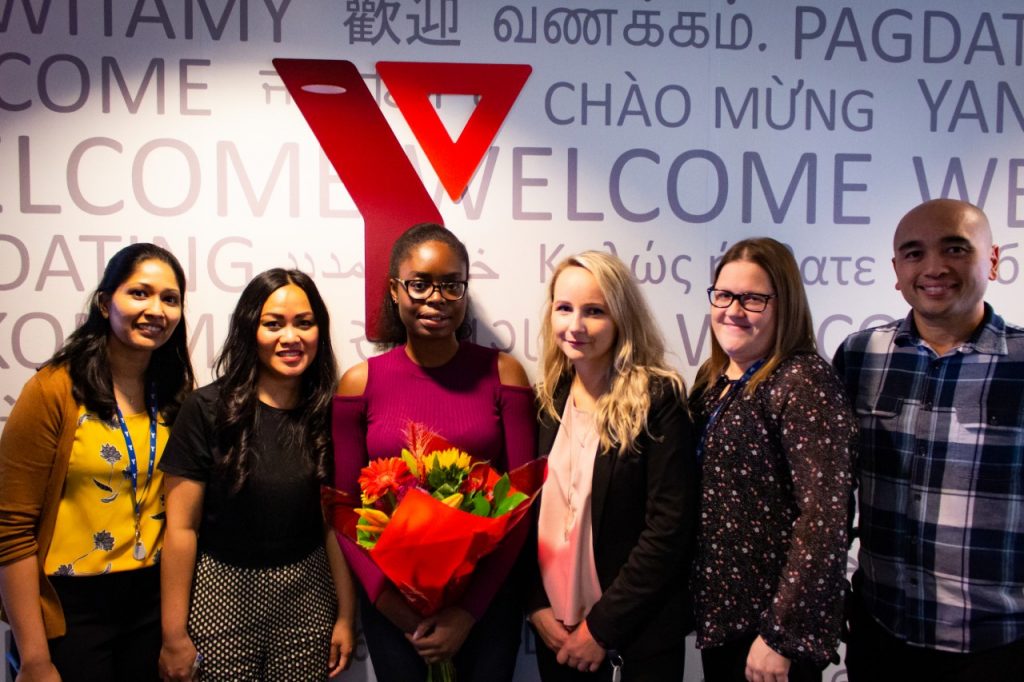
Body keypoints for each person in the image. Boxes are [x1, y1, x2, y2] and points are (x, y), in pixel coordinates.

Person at [332, 222, 536, 681]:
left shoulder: (504, 374)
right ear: (394, 289)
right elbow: (345, 511)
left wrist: (467, 613)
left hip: (485, 606)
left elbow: (521, 504)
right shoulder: (359, 384)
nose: (436, 298)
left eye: (451, 285)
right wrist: (401, 613)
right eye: (420, 284)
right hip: (394, 610)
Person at [833, 198, 1024, 681]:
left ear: (994, 261)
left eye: (955, 248)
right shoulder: (859, 355)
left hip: (997, 646)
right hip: (882, 635)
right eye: (914, 254)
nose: (934, 267)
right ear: (897, 271)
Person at [0, 243, 194, 682]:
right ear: (106, 303)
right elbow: (11, 529)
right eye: (139, 293)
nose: (156, 309)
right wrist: (33, 657)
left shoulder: (175, 394)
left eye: (170, 298)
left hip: (151, 604)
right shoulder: (53, 390)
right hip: (71, 612)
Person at [157, 269, 355, 681]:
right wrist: (174, 635)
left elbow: (334, 526)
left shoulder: (329, 414)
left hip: (308, 597)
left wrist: (346, 616)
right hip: (219, 596)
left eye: (304, 323)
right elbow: (181, 529)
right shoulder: (206, 409)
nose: (291, 337)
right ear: (250, 329)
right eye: (273, 323)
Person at [525, 251, 698, 681]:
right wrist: (535, 607)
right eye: (564, 308)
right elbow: (522, 516)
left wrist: (600, 630)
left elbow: (668, 530)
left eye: (594, 311)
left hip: (631, 640)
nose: (575, 326)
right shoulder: (547, 400)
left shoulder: (658, 400)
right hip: (556, 634)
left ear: (621, 317)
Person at [690, 237, 857, 682]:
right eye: (723, 295)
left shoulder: (803, 381)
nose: (733, 310)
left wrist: (782, 636)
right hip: (725, 617)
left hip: (770, 632)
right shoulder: (713, 381)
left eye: (753, 298)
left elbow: (823, 518)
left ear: (785, 305)